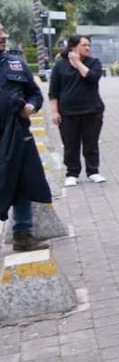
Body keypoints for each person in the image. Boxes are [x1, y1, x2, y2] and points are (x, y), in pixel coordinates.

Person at [0, 23, 51, 252]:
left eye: (2, 31)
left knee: (23, 182)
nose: (3, 36)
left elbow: (34, 93)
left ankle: (23, 234)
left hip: (17, 133)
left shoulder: (15, 63)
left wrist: (31, 105)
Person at [49, 34, 106, 187]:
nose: (87, 48)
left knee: (91, 143)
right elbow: (53, 91)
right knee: (70, 144)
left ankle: (93, 171)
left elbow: (92, 78)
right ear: (73, 47)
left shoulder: (94, 62)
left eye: (89, 45)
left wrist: (77, 63)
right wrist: (55, 112)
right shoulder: (60, 65)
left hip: (92, 111)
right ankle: (72, 173)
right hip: (68, 113)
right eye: (84, 45)